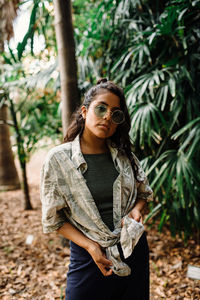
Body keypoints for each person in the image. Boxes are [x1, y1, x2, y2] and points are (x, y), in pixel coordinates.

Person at [40, 78, 153, 300]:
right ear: (84, 111)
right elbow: (54, 220)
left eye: (116, 114)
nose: (107, 117)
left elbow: (144, 193)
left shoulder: (125, 157)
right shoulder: (59, 159)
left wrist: (137, 209)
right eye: (101, 108)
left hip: (134, 253)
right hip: (89, 259)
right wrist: (91, 247)